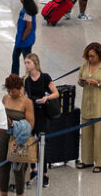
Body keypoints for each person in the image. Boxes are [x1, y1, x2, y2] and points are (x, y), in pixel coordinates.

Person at [22, 53, 59, 187]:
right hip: (32, 114)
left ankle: (44, 173)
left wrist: (46, 98)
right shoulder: (26, 80)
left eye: (28, 63)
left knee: (43, 143)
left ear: (35, 64)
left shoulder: (45, 77)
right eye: (25, 63)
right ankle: (33, 170)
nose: (26, 65)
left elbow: (56, 93)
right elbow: (23, 97)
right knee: (31, 141)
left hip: (43, 113)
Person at [77, 42, 101, 172]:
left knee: (100, 135)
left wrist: (97, 83)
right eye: (88, 56)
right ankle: (86, 160)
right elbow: (80, 79)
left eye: (92, 56)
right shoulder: (85, 65)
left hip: (100, 106)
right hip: (87, 104)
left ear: (100, 55)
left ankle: (100, 162)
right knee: (86, 134)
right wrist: (82, 82)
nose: (90, 59)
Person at [0, 74, 34, 196]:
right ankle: (3, 193)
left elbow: (30, 124)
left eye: (13, 91)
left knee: (19, 169)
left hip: (19, 138)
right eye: (8, 90)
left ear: (20, 88)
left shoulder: (27, 102)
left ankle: (20, 193)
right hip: (4, 136)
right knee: (3, 166)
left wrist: (14, 125)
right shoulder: (5, 99)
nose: (11, 93)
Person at [12, 0, 38, 75]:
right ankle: (14, 78)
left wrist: (22, 38)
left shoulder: (26, 12)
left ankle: (31, 77)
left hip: (24, 40)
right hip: (22, 39)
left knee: (27, 61)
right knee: (15, 57)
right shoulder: (28, 9)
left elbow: (29, 27)